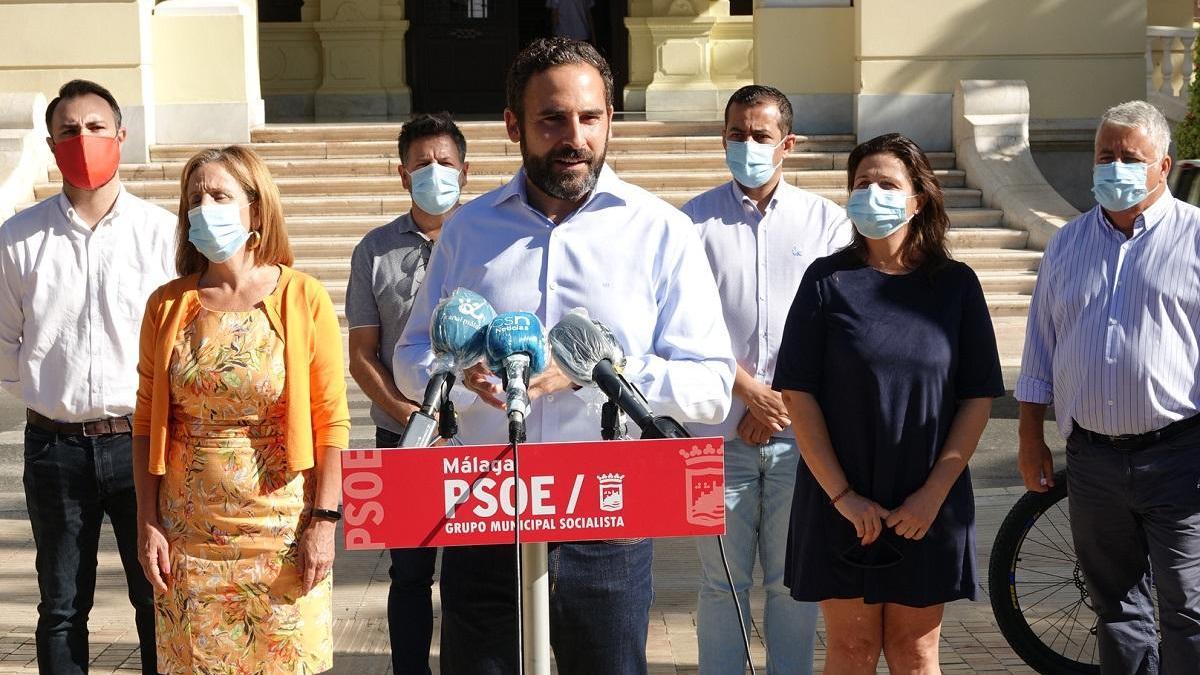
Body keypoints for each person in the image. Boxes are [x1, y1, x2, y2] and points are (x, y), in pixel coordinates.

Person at [393, 37, 735, 675]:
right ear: (514, 125)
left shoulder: (662, 231)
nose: (573, 137)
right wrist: (462, 380)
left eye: (589, 118)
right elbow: (411, 353)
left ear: (610, 120)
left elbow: (712, 384)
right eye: (551, 119)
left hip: (608, 514)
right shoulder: (469, 231)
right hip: (485, 509)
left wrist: (598, 375)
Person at [773, 133, 1002, 673]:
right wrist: (842, 496)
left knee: (915, 652)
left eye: (887, 184)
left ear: (918, 199)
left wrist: (933, 494)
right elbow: (798, 393)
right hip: (841, 503)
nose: (871, 192)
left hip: (927, 505)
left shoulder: (956, 286)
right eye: (861, 183)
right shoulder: (827, 280)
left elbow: (976, 398)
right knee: (851, 651)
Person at [131, 146, 350, 673]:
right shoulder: (168, 305)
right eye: (194, 199)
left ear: (256, 209)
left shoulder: (303, 297)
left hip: (281, 533)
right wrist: (147, 521)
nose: (204, 208)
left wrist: (324, 522)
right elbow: (144, 422)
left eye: (219, 195)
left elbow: (331, 420)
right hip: (189, 534)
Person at [1016, 100, 1200, 673]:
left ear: (1163, 166)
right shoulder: (1066, 245)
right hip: (1093, 459)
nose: (1114, 166)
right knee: (1116, 609)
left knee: (1188, 608)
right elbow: (1039, 349)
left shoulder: (1195, 238)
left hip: (1180, 454)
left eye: (1130, 157)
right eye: (1105, 156)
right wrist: (1029, 438)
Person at [0, 79, 173, 674]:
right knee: (62, 607)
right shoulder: (18, 238)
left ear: (120, 136)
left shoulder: (161, 234)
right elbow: (4, 347)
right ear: (51, 144)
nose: (84, 140)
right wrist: (54, 395)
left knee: (156, 596)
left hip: (141, 442)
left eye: (96, 127)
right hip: (54, 447)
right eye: (69, 131)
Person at [683, 84, 850, 675]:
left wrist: (776, 404)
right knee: (717, 581)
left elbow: (836, 326)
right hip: (708, 437)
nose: (747, 145)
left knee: (791, 581)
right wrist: (745, 390)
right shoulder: (690, 223)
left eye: (760, 135)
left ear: (789, 143)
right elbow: (678, 325)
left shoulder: (828, 222)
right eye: (737, 134)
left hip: (802, 440)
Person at [346, 112, 469, 675]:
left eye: (445, 162)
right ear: (403, 174)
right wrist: (406, 415)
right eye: (423, 164)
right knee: (411, 573)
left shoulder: (488, 239)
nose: (435, 172)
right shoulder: (375, 250)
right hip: (403, 437)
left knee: (478, 571)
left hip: (478, 437)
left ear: (465, 171)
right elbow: (362, 354)